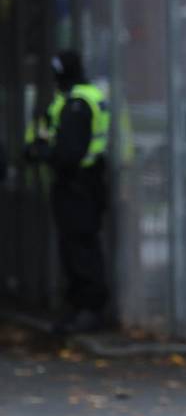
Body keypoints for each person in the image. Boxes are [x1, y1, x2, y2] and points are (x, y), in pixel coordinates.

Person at [24, 50, 110, 334]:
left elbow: (68, 154)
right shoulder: (82, 97)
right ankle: (81, 308)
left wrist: (42, 152)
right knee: (77, 247)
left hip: (78, 185)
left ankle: (89, 310)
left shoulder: (77, 103)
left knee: (81, 249)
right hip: (83, 183)